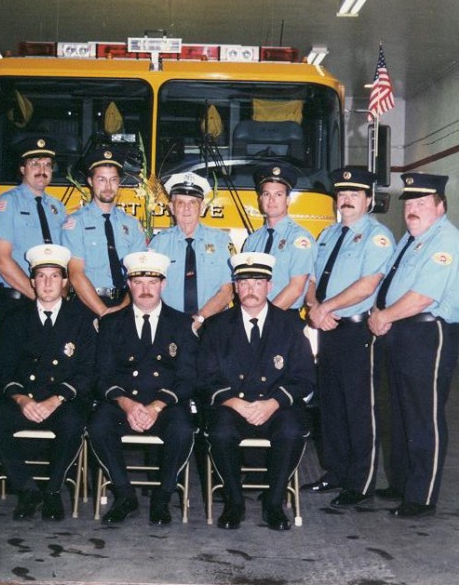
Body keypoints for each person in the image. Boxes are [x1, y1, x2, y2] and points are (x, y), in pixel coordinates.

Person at [0, 244, 96, 521]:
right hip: (26, 400)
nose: (47, 283)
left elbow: (87, 371)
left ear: (65, 281)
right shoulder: (15, 319)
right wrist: (22, 400)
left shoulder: (81, 320)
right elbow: (3, 370)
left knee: (73, 424)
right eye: (41, 276)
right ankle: (27, 489)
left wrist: (55, 400)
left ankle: (53, 492)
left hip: (62, 402)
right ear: (31, 281)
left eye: (54, 276)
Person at [201, 252, 314, 531]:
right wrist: (234, 403)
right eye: (244, 283)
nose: (251, 289)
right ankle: (234, 503)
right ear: (236, 287)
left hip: (275, 407)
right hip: (233, 406)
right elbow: (205, 376)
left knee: (291, 430)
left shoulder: (289, 325)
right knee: (220, 431)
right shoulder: (216, 326)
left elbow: (304, 377)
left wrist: (273, 403)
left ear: (269, 286)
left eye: (258, 282)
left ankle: (274, 504)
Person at [368, 172, 459, 518]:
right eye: (410, 203)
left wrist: (384, 316)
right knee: (401, 412)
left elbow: (422, 297)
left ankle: (421, 496)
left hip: (427, 334)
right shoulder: (411, 238)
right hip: (401, 333)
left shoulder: (445, 241)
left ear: (440, 206)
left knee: (424, 415)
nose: (413, 209)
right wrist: (381, 313)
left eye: (422, 203)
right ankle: (403, 482)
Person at [303, 168, 395, 507]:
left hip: (357, 331)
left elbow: (368, 285)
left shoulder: (377, 236)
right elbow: (311, 279)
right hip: (327, 330)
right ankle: (336, 472)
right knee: (331, 405)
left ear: (369, 200)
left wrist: (325, 308)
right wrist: (314, 307)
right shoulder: (326, 234)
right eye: (342, 194)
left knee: (359, 407)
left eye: (355, 194)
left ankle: (362, 481)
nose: (346, 199)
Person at [88, 251, 198, 526]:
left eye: (152, 282)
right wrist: (126, 404)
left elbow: (188, 377)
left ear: (163, 284)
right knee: (99, 426)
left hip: (164, 406)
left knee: (183, 429)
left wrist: (156, 406)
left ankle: (162, 497)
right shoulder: (111, 323)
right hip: (123, 404)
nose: (146, 289)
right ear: (129, 284)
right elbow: (101, 376)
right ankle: (125, 495)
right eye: (139, 282)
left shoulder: (182, 324)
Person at [0, 135, 66, 333]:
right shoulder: (6, 204)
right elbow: (1, 260)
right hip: (17, 301)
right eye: (35, 164)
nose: (42, 171)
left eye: (47, 165)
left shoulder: (57, 207)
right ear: (22, 169)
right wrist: (37, 296)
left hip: (50, 302)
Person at [62, 146, 146, 317]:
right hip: (88, 305)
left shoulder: (132, 225)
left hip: (126, 304)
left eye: (113, 180)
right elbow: (76, 274)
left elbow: (138, 274)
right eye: (101, 179)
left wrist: (123, 308)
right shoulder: (75, 223)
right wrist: (104, 312)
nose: (108, 186)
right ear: (90, 181)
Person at [148, 172, 235, 333]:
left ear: (202, 208)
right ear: (172, 208)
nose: (187, 208)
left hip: (212, 325)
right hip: (171, 328)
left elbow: (227, 291)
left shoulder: (221, 241)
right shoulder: (159, 243)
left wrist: (200, 318)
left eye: (193, 203)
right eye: (180, 203)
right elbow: (150, 290)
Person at [243, 162, 315, 319]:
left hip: (283, 317)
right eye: (267, 194)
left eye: (278, 195)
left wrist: (264, 319)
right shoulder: (252, 240)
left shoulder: (299, 239)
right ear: (260, 199)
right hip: (253, 317)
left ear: (288, 200)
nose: (272, 200)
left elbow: (296, 288)